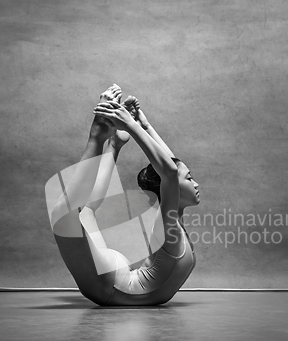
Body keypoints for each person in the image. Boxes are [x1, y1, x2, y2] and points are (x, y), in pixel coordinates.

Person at [50, 84, 200, 306]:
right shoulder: (168, 222)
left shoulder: (173, 219)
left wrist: (144, 126)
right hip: (110, 286)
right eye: (189, 178)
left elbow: (171, 168)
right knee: (66, 216)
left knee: (83, 212)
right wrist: (131, 125)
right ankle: (98, 137)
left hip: (117, 280)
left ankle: (113, 145)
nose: (196, 183)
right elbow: (170, 172)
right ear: (174, 188)